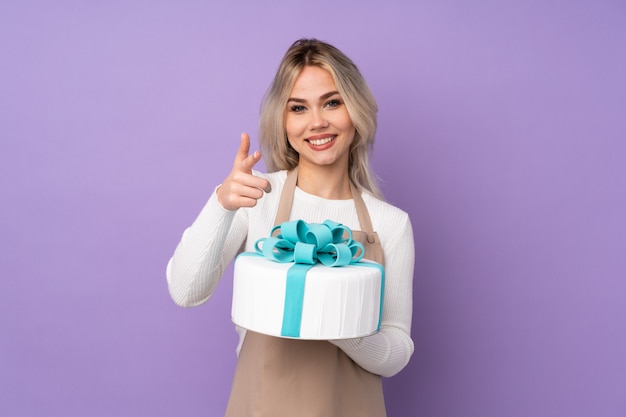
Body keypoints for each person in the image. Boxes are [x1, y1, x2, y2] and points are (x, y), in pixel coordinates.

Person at [166, 38, 415, 416]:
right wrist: (221, 203)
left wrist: (337, 322)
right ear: (283, 121)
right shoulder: (257, 197)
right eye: (298, 108)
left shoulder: (390, 224)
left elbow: (397, 352)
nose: (317, 121)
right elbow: (186, 291)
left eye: (332, 102)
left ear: (356, 110)